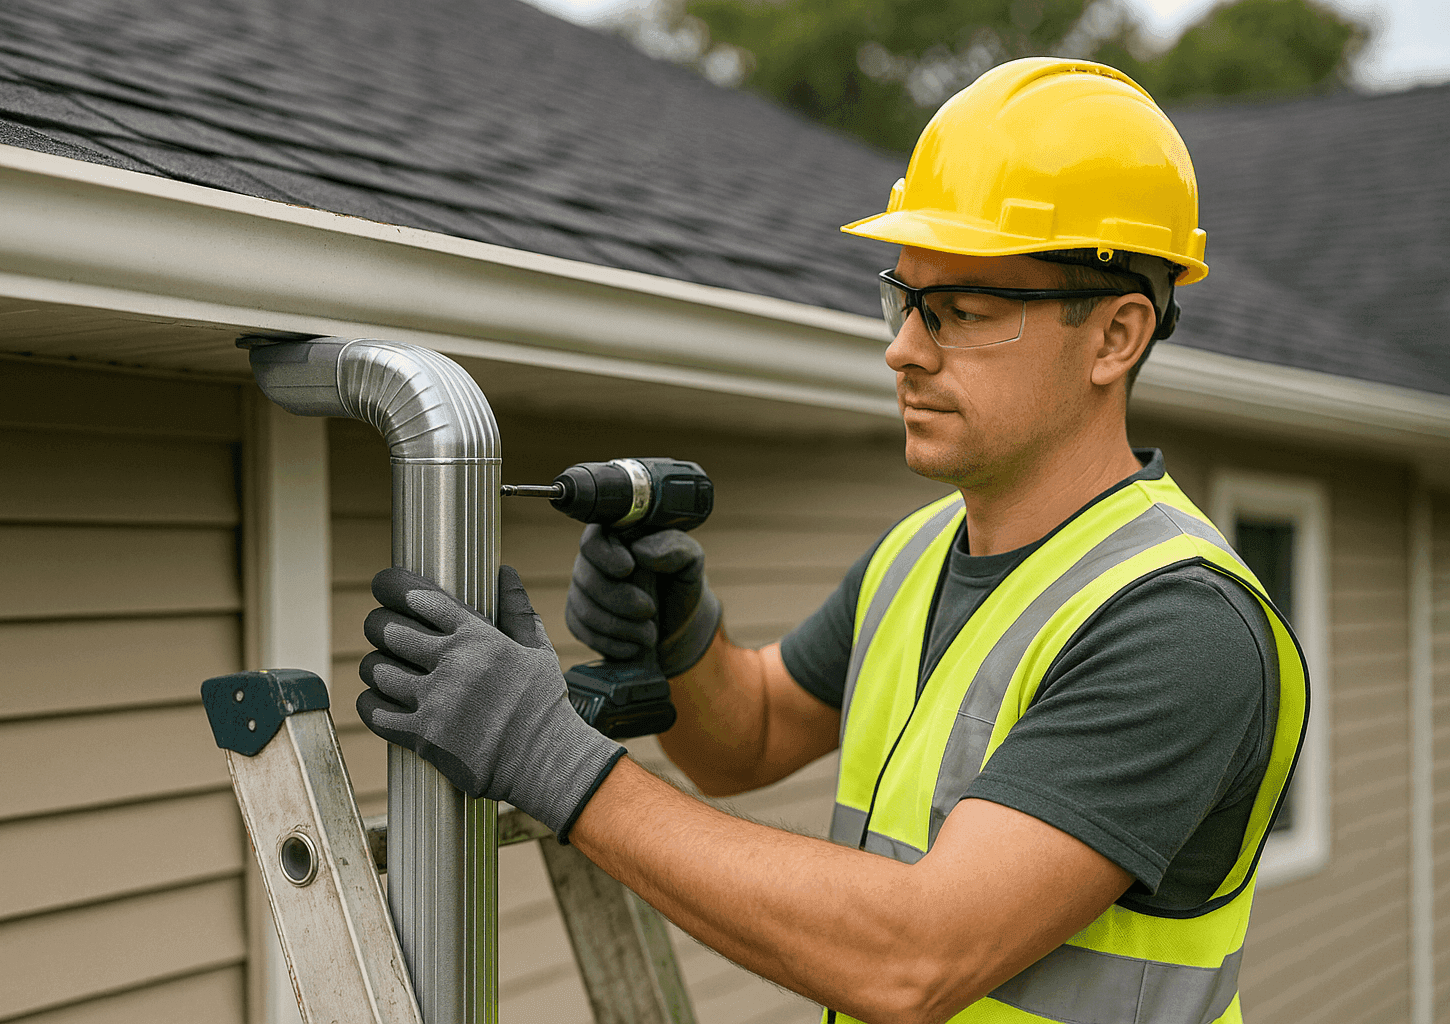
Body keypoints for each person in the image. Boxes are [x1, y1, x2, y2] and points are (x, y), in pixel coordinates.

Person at [355, 57, 1308, 1024]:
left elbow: (916, 958)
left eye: (962, 313)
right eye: (905, 299)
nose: (903, 348)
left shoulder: (1181, 626)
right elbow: (753, 734)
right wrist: (681, 639)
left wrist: (539, 752)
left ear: (1116, 337)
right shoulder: (920, 554)